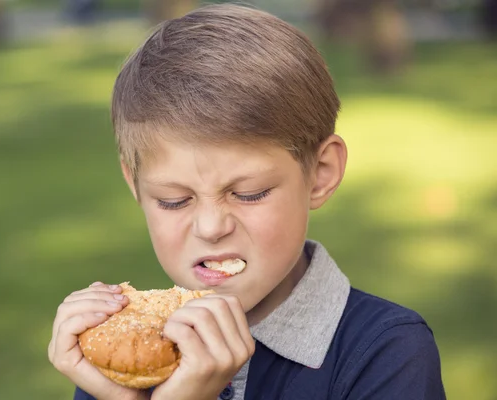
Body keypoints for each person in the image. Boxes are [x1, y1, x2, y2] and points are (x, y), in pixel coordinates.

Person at [48, 4, 446, 399]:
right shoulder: (127, 360)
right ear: (135, 184)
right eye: (173, 200)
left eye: (248, 193)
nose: (210, 226)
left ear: (320, 174)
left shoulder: (387, 353)